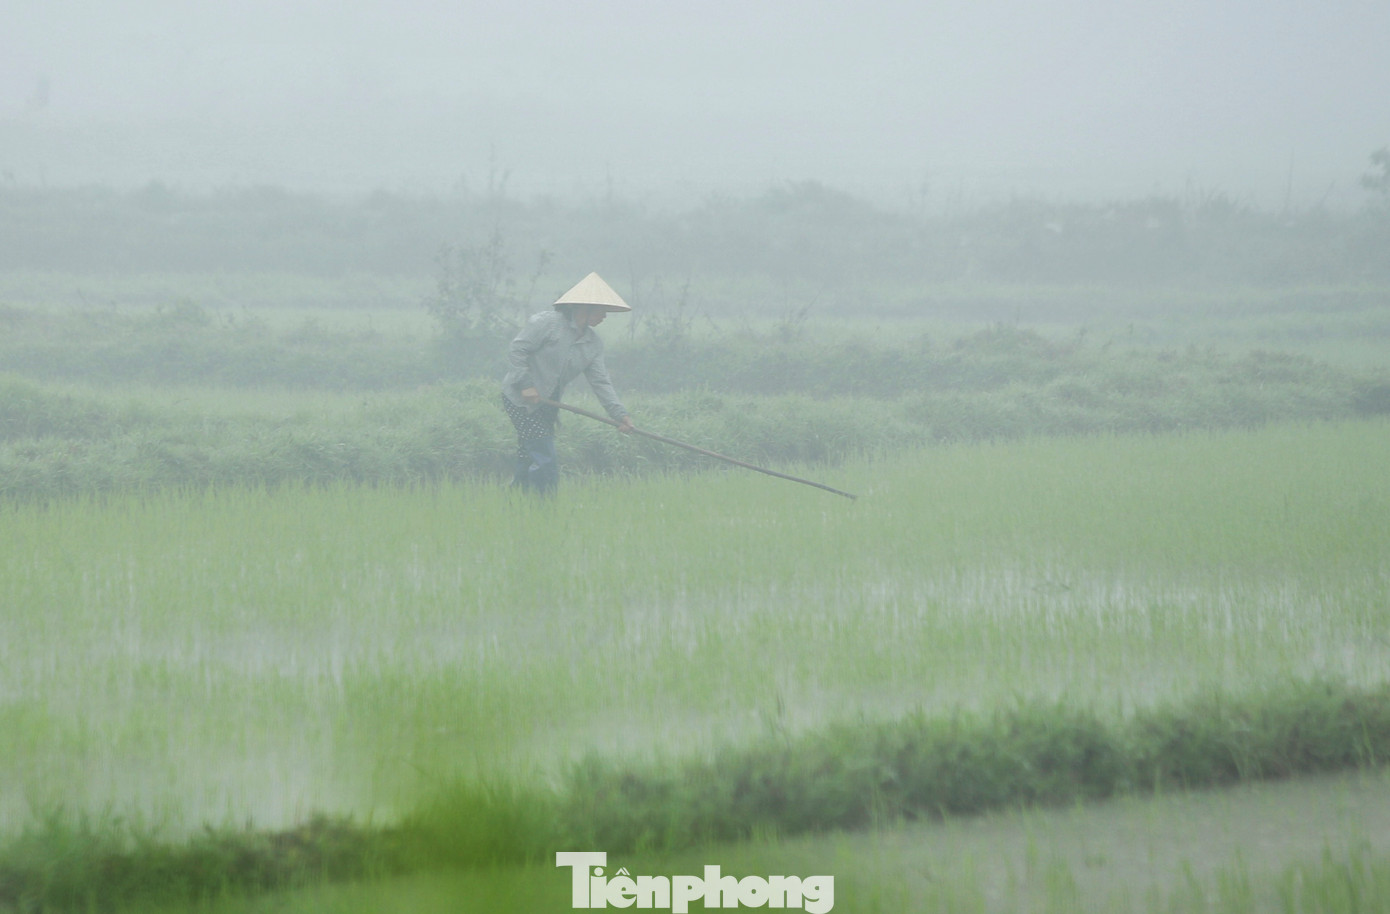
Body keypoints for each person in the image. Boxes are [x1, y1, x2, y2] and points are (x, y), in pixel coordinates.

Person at [501, 272, 634, 494]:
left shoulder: (592, 344)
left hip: (548, 403)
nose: (604, 316)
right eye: (601, 310)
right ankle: (543, 507)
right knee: (544, 457)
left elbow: (601, 382)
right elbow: (517, 350)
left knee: (529, 454)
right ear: (584, 307)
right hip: (520, 400)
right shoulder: (547, 323)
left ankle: (517, 503)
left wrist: (619, 415)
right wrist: (526, 384)